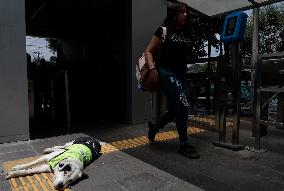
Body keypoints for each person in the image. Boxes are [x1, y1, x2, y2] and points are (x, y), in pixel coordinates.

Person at [144, 1, 200, 159]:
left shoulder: (188, 33)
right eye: (182, 12)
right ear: (174, 15)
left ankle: (155, 127)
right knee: (183, 105)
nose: (186, 15)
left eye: (186, 12)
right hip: (165, 73)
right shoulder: (163, 30)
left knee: (176, 109)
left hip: (181, 74)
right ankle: (184, 144)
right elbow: (148, 51)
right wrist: (152, 68)